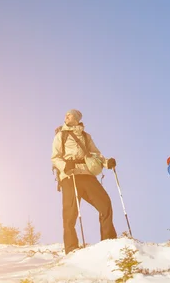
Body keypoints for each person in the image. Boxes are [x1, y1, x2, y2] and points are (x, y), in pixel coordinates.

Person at [51, 109, 117, 254]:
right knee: (70, 213)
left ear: (76, 118)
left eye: (69, 115)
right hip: (69, 176)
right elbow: (55, 157)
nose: (66, 116)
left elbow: (96, 154)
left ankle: (109, 242)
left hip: (86, 174)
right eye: (66, 115)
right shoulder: (60, 135)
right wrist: (64, 166)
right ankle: (71, 248)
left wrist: (107, 163)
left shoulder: (86, 137)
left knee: (105, 203)